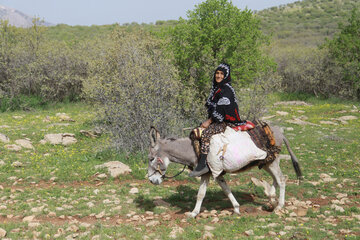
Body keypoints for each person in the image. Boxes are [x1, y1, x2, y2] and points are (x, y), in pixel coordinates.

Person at [189, 63, 243, 177]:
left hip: (225, 121)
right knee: (196, 131)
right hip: (216, 120)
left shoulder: (226, 90)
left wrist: (209, 122)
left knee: (206, 134)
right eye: (217, 73)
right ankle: (200, 160)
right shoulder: (217, 89)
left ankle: (203, 165)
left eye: (221, 74)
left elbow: (223, 110)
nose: (218, 76)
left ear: (226, 76)